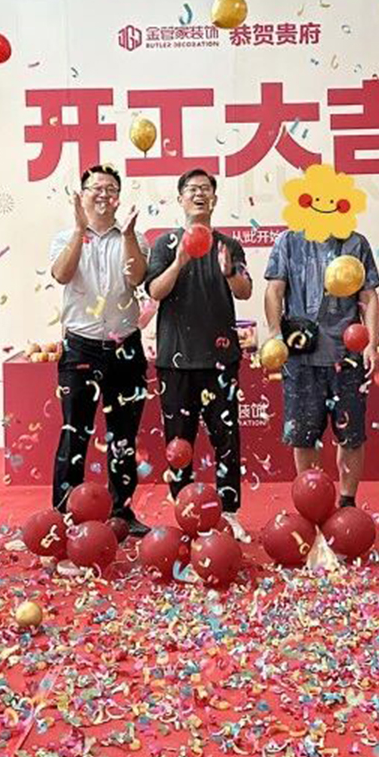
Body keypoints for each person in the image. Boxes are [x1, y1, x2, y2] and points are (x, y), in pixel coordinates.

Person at [145, 169, 252, 539]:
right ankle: (185, 513)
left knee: (227, 439)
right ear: (180, 199)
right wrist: (179, 262)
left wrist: (229, 272)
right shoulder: (165, 243)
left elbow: (245, 291)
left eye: (205, 189)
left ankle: (230, 512)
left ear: (215, 199)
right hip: (175, 361)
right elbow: (155, 292)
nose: (199, 195)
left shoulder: (229, 245)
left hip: (221, 360)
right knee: (179, 444)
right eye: (191, 190)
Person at [47, 164, 149, 547]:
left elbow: (137, 277)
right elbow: (61, 274)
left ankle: (122, 511)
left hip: (125, 346)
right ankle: (64, 510)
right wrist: (79, 230)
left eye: (110, 189)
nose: (103, 194)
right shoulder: (64, 237)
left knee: (123, 434)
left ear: (118, 198)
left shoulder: (132, 237)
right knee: (74, 431)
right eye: (96, 188)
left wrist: (129, 236)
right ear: (83, 194)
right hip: (81, 346)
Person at [265, 206, 379, 509]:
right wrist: (276, 335)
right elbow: (274, 291)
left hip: (348, 357)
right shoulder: (288, 241)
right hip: (300, 358)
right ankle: (311, 501)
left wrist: (371, 344)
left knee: (351, 435)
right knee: (304, 436)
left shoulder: (356, 243)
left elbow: (368, 297)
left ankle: (347, 501)